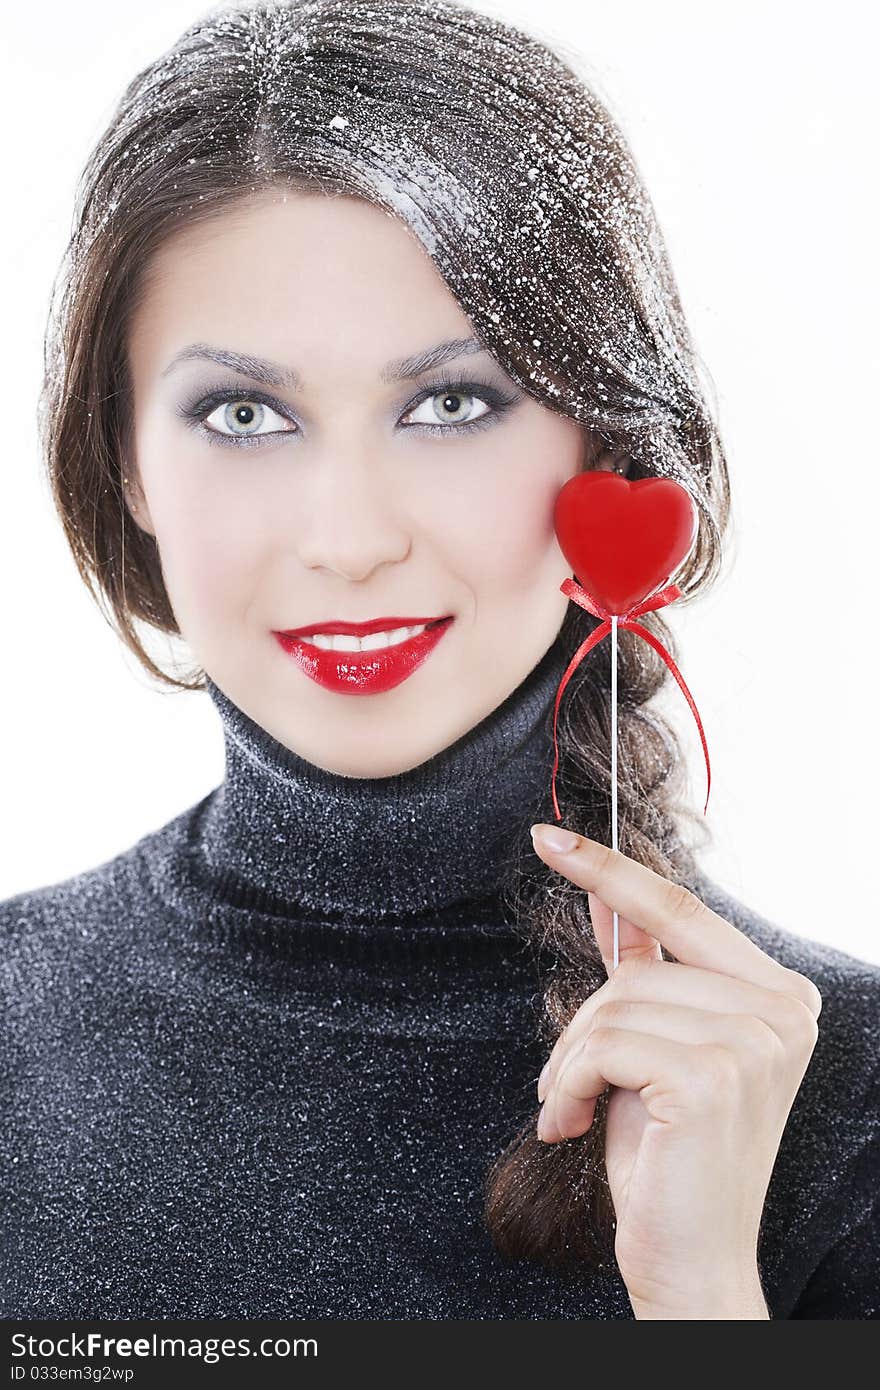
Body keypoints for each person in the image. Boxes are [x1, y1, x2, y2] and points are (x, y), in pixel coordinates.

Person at [2, 0, 877, 1320]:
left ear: (602, 441)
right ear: (126, 456)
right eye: (243, 413)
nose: (350, 542)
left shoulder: (834, 1089)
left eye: (450, 404)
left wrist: (698, 1294)